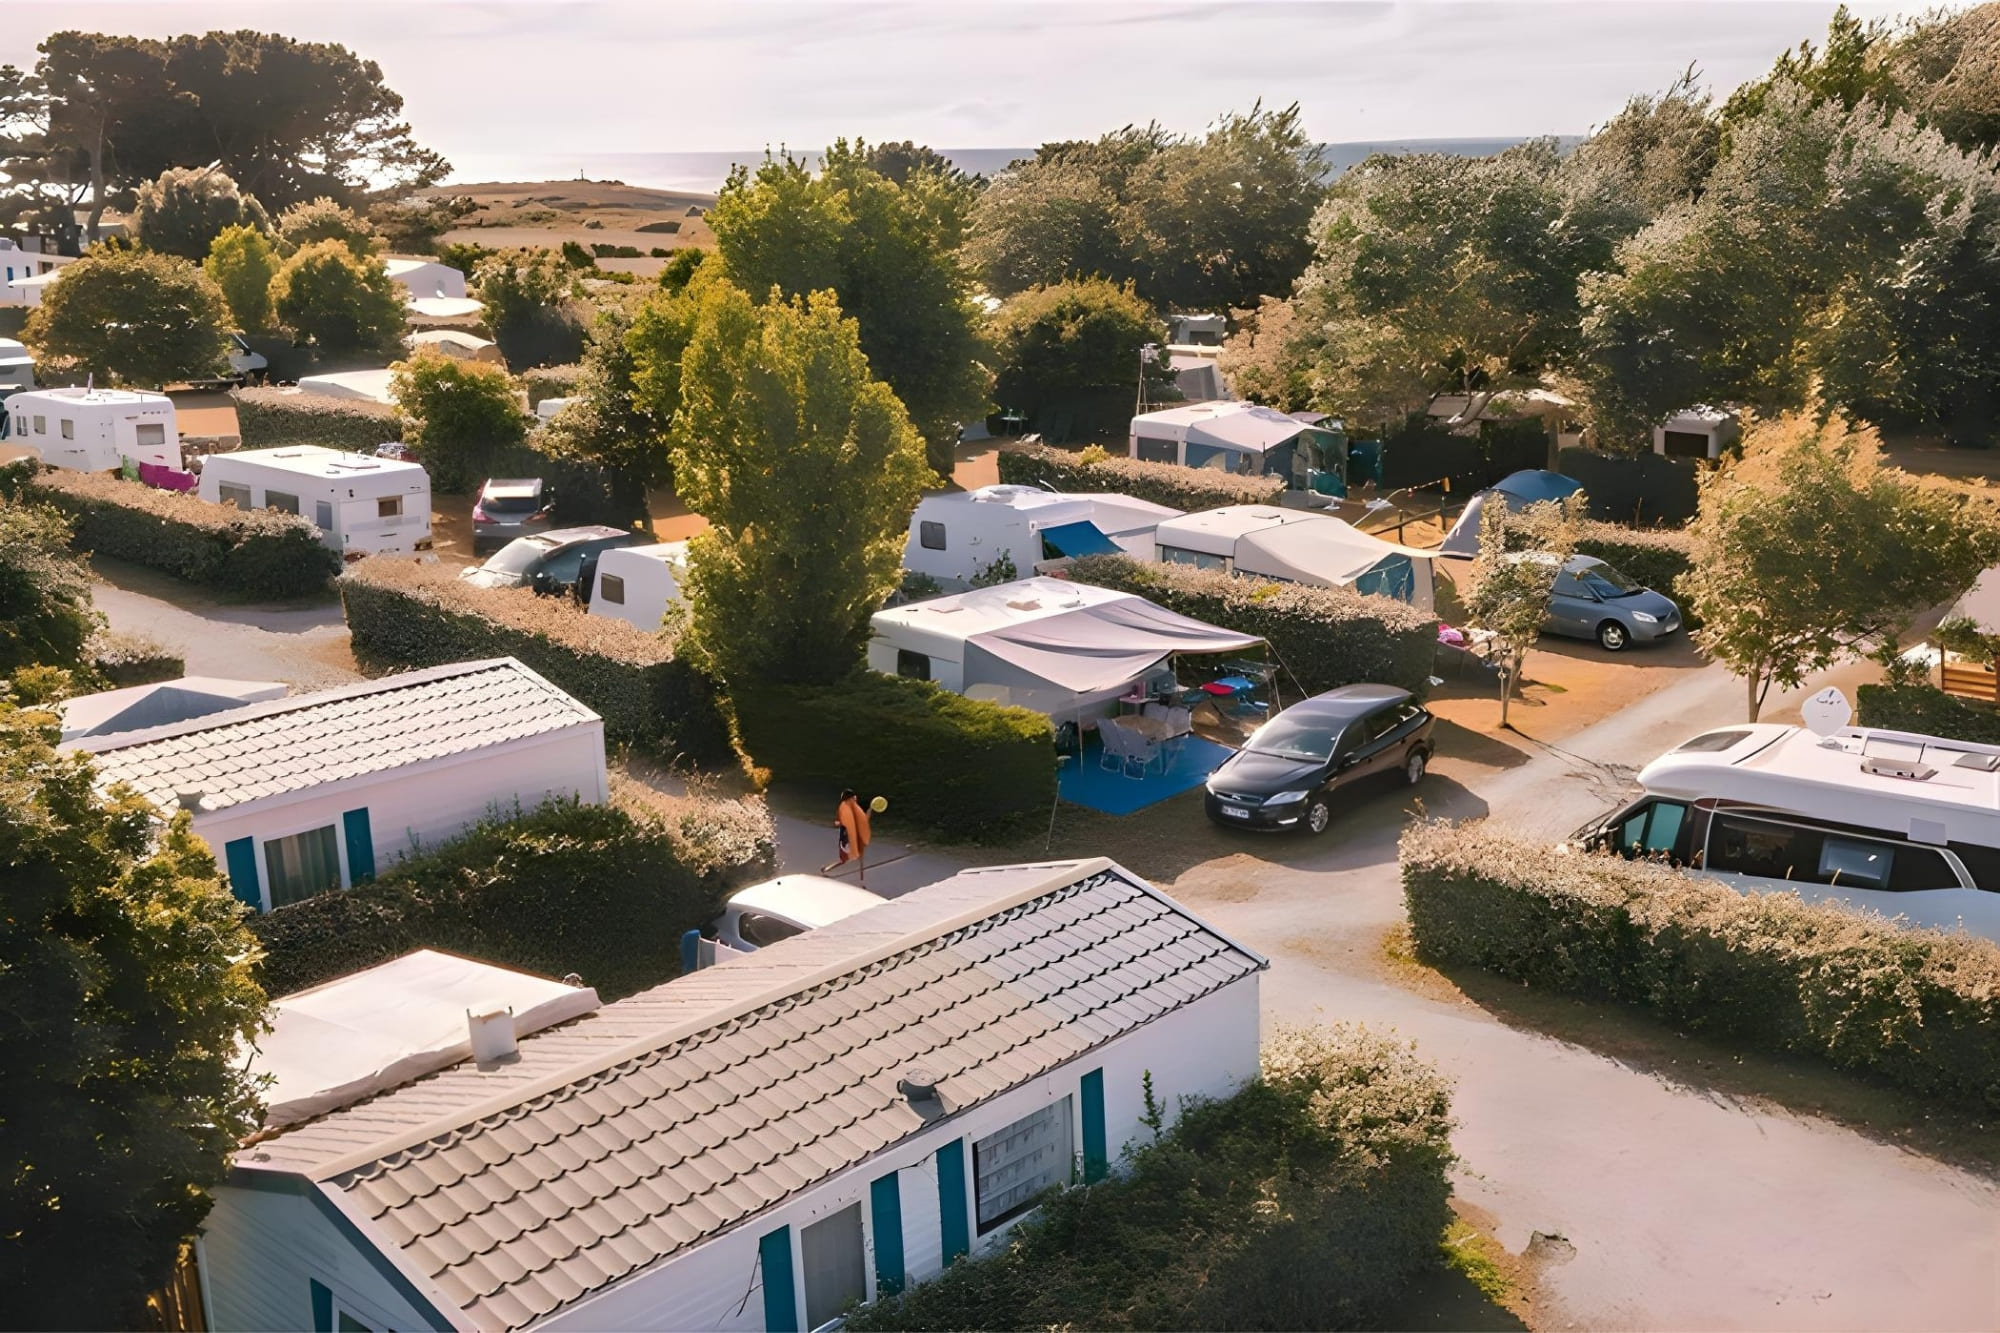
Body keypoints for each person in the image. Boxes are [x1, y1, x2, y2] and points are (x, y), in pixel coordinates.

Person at [824, 788, 873, 886]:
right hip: (849, 842)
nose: (855, 798)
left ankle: (826, 869)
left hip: (845, 842)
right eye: (853, 797)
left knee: (845, 860)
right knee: (859, 858)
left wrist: (870, 810)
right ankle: (862, 882)